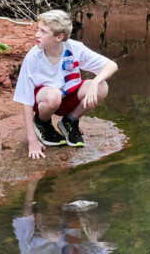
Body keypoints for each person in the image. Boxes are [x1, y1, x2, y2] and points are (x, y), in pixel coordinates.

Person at [14, 10, 117, 157]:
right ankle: (42, 123)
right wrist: (32, 141)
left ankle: (70, 121)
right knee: (54, 95)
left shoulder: (74, 48)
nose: (37, 35)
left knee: (102, 86)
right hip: (47, 100)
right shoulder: (32, 57)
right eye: (38, 29)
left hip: (68, 97)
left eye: (43, 32)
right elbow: (26, 99)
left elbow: (111, 65)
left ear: (59, 37)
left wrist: (95, 82)